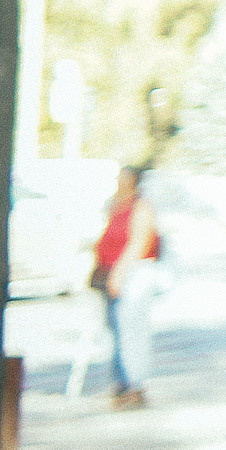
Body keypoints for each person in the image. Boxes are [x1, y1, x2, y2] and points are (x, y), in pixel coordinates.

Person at [90, 164, 161, 409]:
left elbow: (138, 242)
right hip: (110, 270)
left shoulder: (141, 206)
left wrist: (119, 274)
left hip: (134, 273)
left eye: (125, 177)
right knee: (115, 330)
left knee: (131, 330)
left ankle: (134, 385)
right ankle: (121, 384)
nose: (120, 181)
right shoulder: (114, 203)